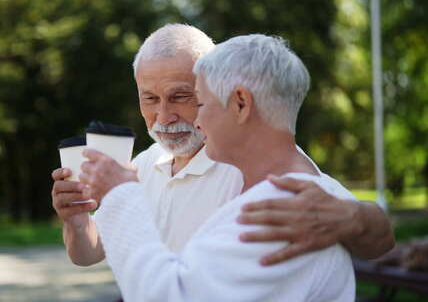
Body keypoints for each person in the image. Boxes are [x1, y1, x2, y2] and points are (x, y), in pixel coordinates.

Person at [51, 24, 393, 266]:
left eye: (181, 96)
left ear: (209, 89)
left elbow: (379, 239)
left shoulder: (251, 164)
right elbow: (90, 254)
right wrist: (77, 221)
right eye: (150, 98)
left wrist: (355, 217)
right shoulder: (142, 164)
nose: (163, 117)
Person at [80, 34, 355, 301]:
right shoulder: (294, 197)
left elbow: (169, 295)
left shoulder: (281, 214)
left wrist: (122, 195)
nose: (197, 121)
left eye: (200, 102)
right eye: (150, 98)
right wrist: (367, 220)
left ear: (240, 104)